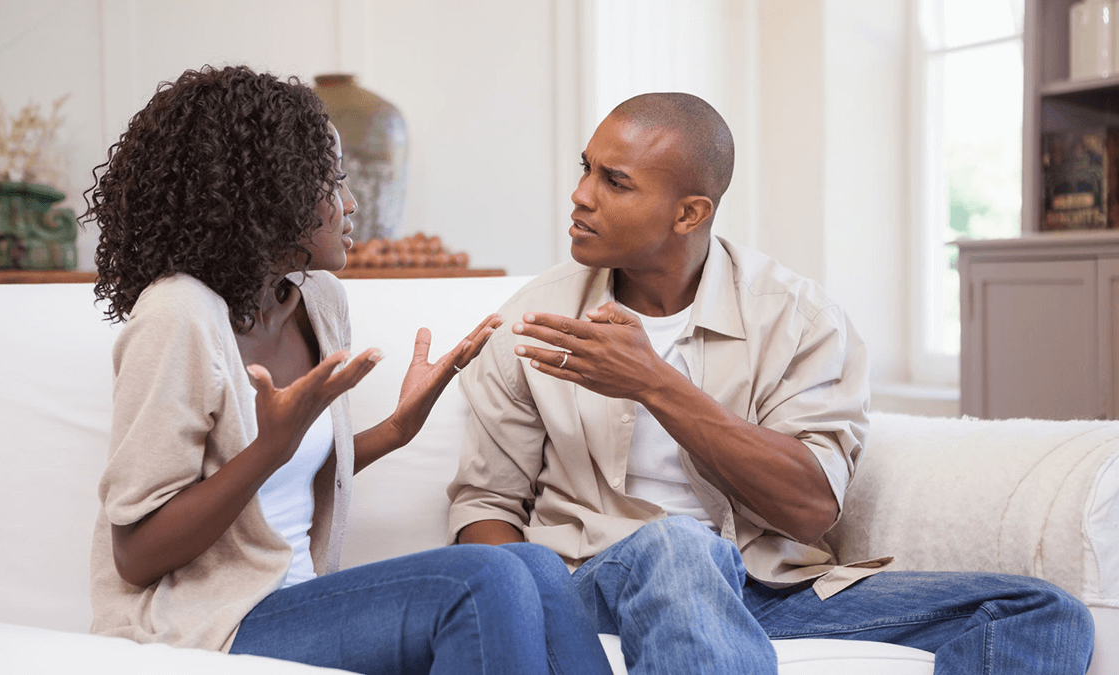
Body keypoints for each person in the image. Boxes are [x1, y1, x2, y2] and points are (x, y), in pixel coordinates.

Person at [447, 92, 1095, 674]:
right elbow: (486, 508)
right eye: (586, 168)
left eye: (614, 181)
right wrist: (541, 619)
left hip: (767, 589)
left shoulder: (798, 318)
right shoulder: (533, 319)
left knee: (1039, 613)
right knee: (680, 545)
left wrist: (655, 384)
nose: (581, 195)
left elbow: (810, 508)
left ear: (689, 213)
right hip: (591, 583)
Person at [85, 64, 611, 675]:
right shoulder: (178, 314)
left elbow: (288, 480)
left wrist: (396, 429)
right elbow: (137, 554)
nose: (351, 203)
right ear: (267, 196)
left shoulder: (318, 301)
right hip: (198, 628)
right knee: (481, 579)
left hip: (293, 604)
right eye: (331, 182)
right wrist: (269, 449)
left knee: (535, 565)